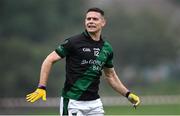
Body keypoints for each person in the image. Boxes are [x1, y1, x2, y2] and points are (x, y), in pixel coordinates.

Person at [26, 7, 140, 116]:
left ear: (103, 22)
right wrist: (41, 87)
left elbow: (110, 76)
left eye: (95, 19)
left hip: (95, 104)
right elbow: (49, 60)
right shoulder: (73, 42)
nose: (91, 21)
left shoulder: (107, 48)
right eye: (88, 19)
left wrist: (128, 94)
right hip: (72, 102)